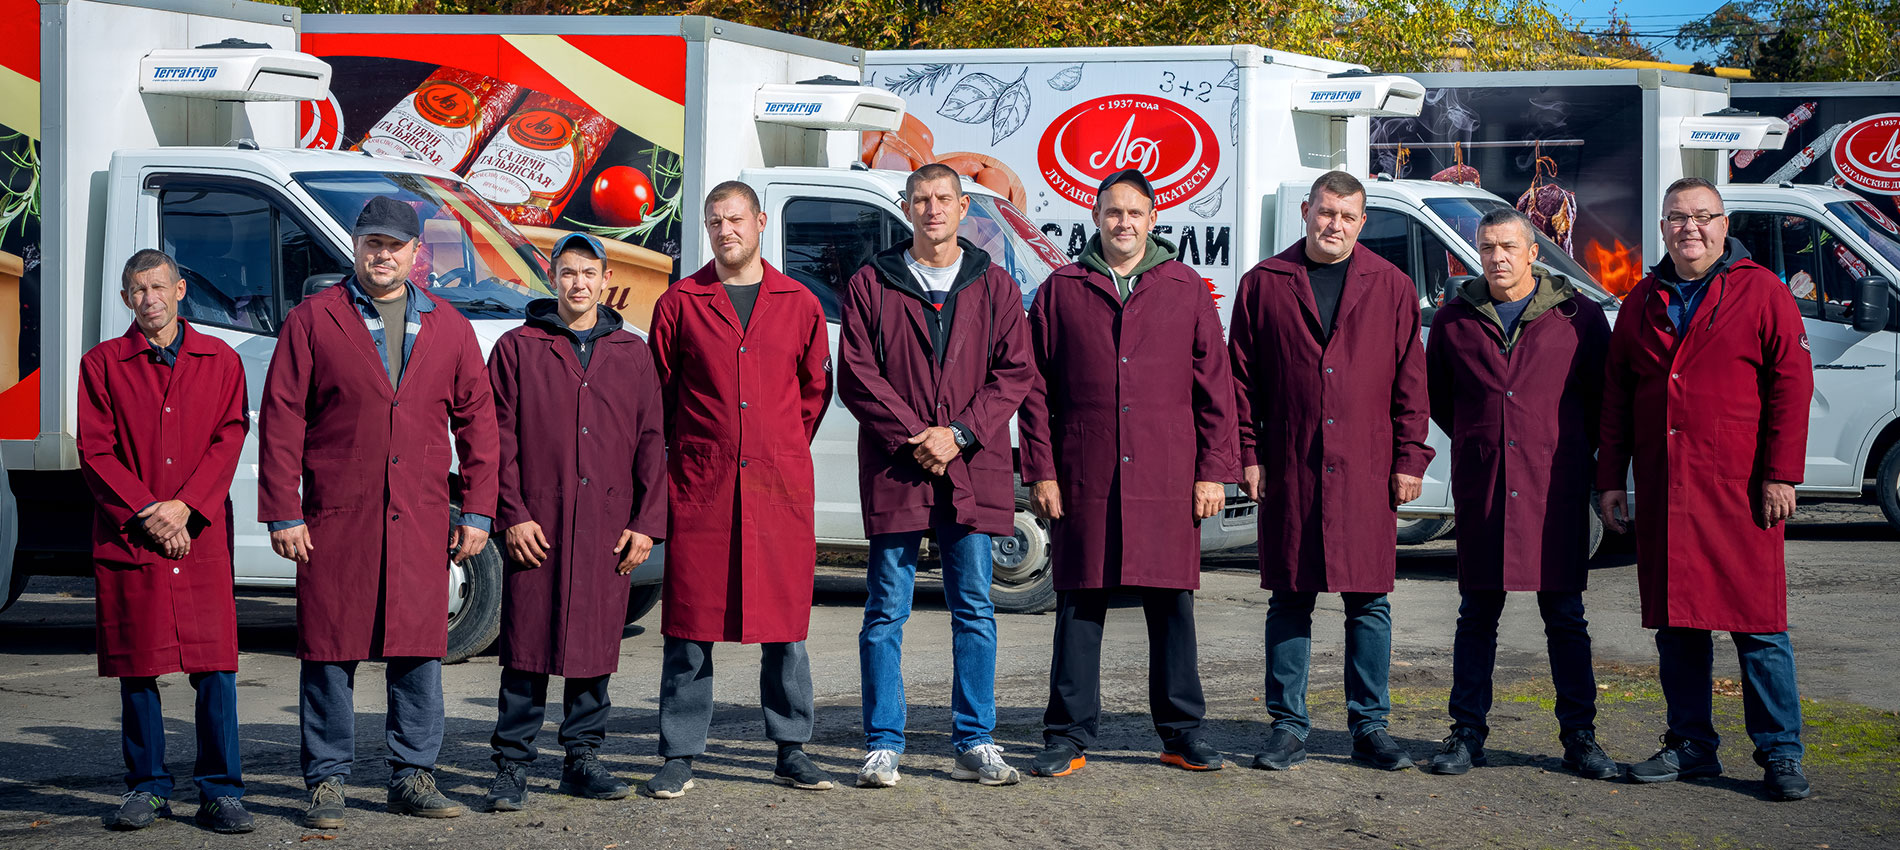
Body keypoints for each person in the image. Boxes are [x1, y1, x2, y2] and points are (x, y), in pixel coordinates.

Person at [258, 196, 500, 827]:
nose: (382, 255)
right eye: (372, 243)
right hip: (337, 515)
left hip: (420, 515)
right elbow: (282, 418)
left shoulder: (450, 327)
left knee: (417, 650)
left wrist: (478, 511)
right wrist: (283, 510)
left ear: (416, 252)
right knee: (329, 652)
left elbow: (479, 422)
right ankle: (326, 781)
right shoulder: (313, 320)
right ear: (356, 246)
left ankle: (413, 775)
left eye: (395, 245)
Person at [1598, 177, 1814, 801]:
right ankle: (1691, 745)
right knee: (1678, 625)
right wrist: (1611, 479)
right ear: (1663, 227)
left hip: (1739, 488)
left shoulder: (1762, 292)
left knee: (1759, 625)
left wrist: (1781, 472)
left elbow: (1791, 385)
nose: (1689, 227)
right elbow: (1617, 398)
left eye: (1701, 216)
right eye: (1676, 217)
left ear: (1724, 225)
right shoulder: (1642, 300)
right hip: (1666, 488)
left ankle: (1780, 753)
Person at [1018, 168, 1239, 778]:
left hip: (1168, 473)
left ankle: (1182, 733)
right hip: (1085, 472)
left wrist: (1213, 472)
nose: (1123, 223)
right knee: (1080, 604)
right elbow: (1034, 390)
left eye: (1135, 213)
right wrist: (1041, 470)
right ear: (1095, 216)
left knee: (1171, 606)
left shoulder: (1185, 287)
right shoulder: (1063, 290)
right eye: (1113, 212)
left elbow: (1215, 389)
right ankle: (1067, 736)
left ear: (1152, 219)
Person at [1228, 170, 1433, 772]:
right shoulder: (1264, 284)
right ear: (1306, 211)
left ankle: (1370, 726)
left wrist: (1410, 456)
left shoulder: (1391, 286)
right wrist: (1247, 453)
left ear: (1362, 222)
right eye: (1325, 212)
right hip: (1290, 465)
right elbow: (1240, 381)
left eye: (1347, 216)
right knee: (1290, 597)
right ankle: (1288, 727)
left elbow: (1410, 382)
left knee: (1368, 601)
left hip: (1368, 466)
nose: (1334, 225)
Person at [838, 163, 1035, 788]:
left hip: (971, 467)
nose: (933, 209)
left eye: (944, 198)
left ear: (962, 207)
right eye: (921, 199)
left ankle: (975, 740)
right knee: (885, 610)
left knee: (973, 607)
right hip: (898, 466)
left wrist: (960, 434)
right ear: (906, 207)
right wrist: (916, 436)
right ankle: (883, 744)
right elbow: (857, 374)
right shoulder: (873, 282)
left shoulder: (995, 285)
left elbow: (1015, 371)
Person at [642, 180, 833, 799]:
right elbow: (660, 394)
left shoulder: (800, 303)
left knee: (785, 627)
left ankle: (792, 748)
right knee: (689, 628)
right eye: (715, 221)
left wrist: (773, 444)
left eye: (736, 219)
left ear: (761, 222)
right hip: (704, 485)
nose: (726, 231)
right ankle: (679, 753)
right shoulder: (680, 303)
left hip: (777, 486)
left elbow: (812, 394)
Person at [1421, 208, 1617, 778]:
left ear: (1534, 252)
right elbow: (1442, 398)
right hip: (1484, 485)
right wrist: (1485, 439)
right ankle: (1466, 733)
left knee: (1565, 615)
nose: (1497, 258)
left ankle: (1580, 736)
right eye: (1487, 248)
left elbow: (1604, 399)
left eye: (1508, 247)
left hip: (1554, 486)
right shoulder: (1455, 319)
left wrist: (1572, 453)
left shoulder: (1578, 316)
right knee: (1477, 614)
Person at [481, 232, 666, 811]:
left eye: (589, 273)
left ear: (606, 279)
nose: (578, 284)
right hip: (538, 523)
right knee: (526, 645)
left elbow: (652, 441)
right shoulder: (517, 347)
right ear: (552, 278)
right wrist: (512, 514)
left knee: (595, 642)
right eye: (567, 273)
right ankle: (512, 765)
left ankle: (582, 759)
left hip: (608, 524)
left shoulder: (632, 352)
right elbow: (496, 440)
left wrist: (646, 522)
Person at [78, 250, 252, 833]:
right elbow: (96, 451)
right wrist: (149, 513)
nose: (148, 299)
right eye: (137, 290)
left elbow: (230, 436)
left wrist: (186, 508)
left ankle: (221, 791)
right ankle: (146, 787)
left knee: (215, 669)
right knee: (138, 668)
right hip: (135, 536)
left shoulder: (221, 360)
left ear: (180, 290)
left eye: (158, 287)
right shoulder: (102, 365)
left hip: (199, 534)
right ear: (125, 298)